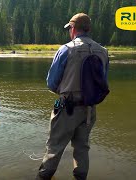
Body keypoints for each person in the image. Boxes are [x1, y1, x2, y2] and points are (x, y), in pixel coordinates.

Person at [36, 13, 109, 180]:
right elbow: (103, 82)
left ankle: (42, 177)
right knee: (82, 148)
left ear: (73, 28)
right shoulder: (103, 51)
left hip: (67, 109)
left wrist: (66, 90)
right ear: (88, 29)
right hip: (90, 110)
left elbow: (51, 83)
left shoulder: (66, 49)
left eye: (70, 29)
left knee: (54, 148)